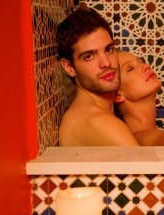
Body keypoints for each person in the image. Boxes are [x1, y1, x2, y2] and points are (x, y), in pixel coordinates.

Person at [56, 7, 139, 146]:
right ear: (69, 67)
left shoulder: (102, 113)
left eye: (109, 49)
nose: (106, 63)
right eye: (89, 56)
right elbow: (146, 167)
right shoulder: (98, 121)